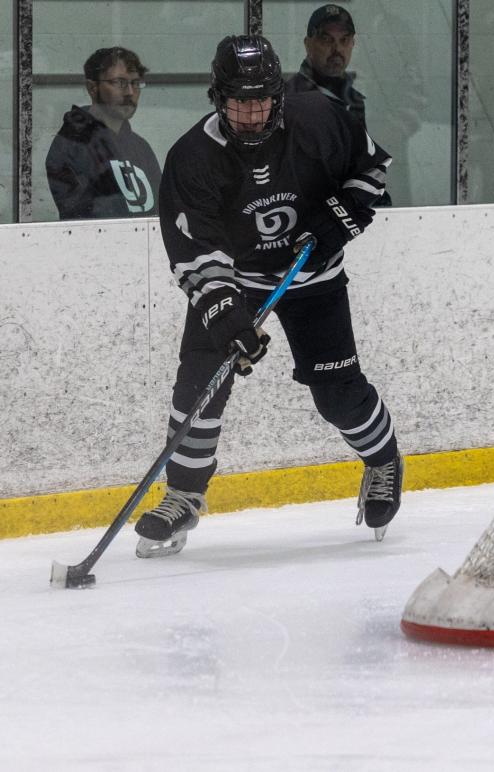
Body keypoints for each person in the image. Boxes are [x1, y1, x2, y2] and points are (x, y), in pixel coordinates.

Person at [135, 34, 402, 558]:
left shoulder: (319, 119)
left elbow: (370, 173)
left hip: (313, 276)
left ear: (278, 96)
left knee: (337, 394)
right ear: (218, 97)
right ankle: (184, 494)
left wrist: (336, 223)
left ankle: (383, 459)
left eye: (260, 100)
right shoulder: (193, 157)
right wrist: (226, 314)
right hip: (238, 279)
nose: (251, 114)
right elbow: (195, 254)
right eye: (239, 101)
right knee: (199, 383)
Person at [286, 4, 391, 205]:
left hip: (347, 216)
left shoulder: (353, 101)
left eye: (344, 40)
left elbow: (360, 167)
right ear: (308, 44)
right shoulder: (291, 100)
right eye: (327, 39)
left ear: (353, 43)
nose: (337, 49)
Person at [45, 47, 162, 220]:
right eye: (119, 83)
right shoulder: (71, 145)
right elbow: (82, 219)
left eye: (136, 83)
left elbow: (161, 209)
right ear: (92, 88)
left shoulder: (141, 147)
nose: (130, 92)